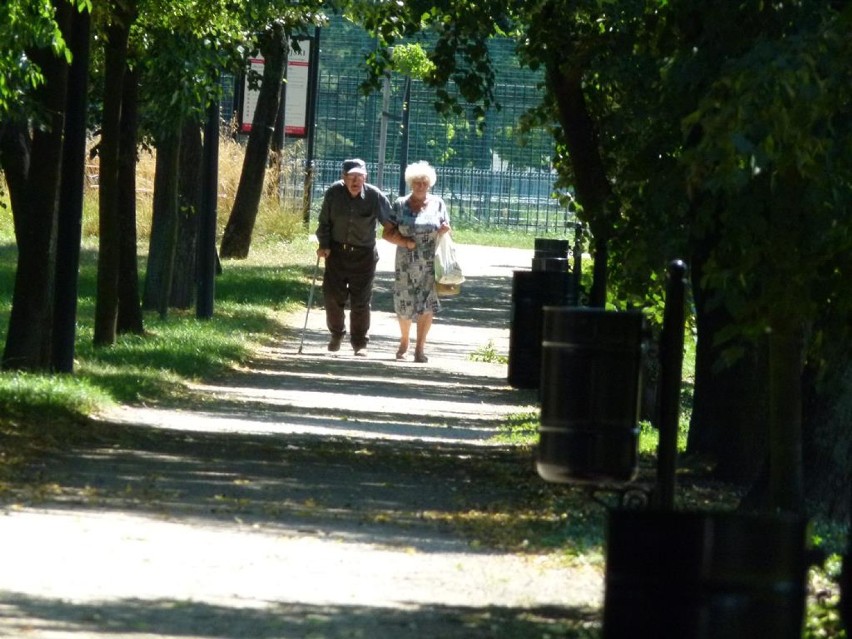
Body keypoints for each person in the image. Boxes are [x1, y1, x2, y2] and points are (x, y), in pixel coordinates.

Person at [316, 158, 392, 356]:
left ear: (365, 177)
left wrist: (407, 237)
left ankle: (359, 343)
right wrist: (323, 244)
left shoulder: (374, 196)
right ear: (344, 177)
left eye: (359, 176)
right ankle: (336, 334)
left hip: (364, 256)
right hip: (337, 253)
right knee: (332, 297)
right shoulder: (334, 192)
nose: (355, 181)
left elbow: (391, 221)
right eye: (351, 176)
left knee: (360, 301)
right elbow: (324, 221)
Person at [381, 161, 451, 363]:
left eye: (424, 182)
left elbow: (445, 228)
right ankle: (404, 341)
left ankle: (420, 348)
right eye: (417, 182)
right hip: (405, 262)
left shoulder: (438, 204)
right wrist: (404, 242)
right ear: (410, 183)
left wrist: (445, 230)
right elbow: (387, 233)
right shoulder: (400, 204)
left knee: (427, 306)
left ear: (430, 184)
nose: (421, 186)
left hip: (430, 263)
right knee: (404, 305)